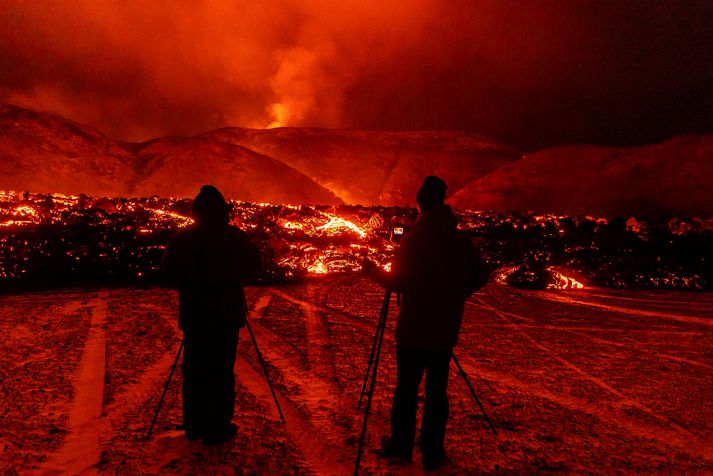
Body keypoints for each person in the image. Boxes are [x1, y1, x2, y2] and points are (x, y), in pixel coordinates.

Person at [363, 176, 489, 471]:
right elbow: (482, 274)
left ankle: (401, 446)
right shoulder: (459, 240)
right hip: (444, 328)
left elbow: (398, 282)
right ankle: (432, 451)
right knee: (437, 392)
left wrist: (371, 272)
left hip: (413, 328)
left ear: (421, 203)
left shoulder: (415, 239)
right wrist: (458, 294)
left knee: (406, 390)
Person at [161, 185, 262, 444]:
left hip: (195, 314)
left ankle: (195, 425)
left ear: (196, 212)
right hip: (226, 314)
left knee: (194, 370)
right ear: (223, 211)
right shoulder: (234, 237)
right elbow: (254, 267)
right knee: (221, 371)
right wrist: (232, 280)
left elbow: (167, 269)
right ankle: (217, 427)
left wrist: (189, 284)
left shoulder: (184, 239)